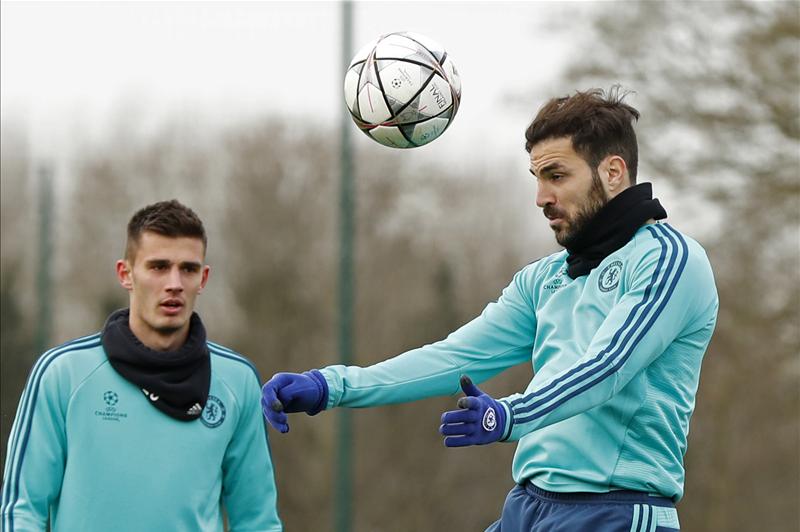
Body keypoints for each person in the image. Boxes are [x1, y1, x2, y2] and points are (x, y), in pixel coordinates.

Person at [262, 88, 718, 531]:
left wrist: (508, 415)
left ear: (613, 172)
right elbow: (454, 357)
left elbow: (606, 367)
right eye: (537, 178)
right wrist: (333, 385)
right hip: (528, 507)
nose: (541, 197)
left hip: (616, 512)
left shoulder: (669, 260)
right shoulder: (545, 278)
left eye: (556, 176)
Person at [1, 200, 282, 531]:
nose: (174, 283)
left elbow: (257, 521)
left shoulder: (238, 381)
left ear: (203, 278)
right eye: (159, 267)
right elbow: (22, 511)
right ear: (126, 274)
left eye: (188, 269)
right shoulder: (64, 373)